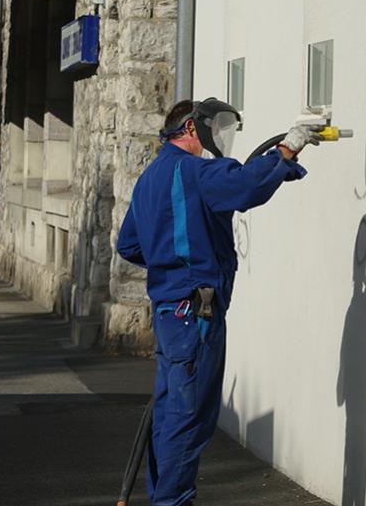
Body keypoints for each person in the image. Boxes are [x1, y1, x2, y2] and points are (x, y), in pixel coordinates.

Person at [116, 97, 321, 506]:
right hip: (195, 316)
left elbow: (130, 245)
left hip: (170, 313)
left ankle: (164, 499)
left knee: (170, 416)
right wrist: (288, 149)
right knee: (187, 421)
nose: (220, 139)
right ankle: (172, 502)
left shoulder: (151, 176)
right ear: (192, 129)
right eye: (218, 129)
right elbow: (246, 186)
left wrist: (173, 257)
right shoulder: (194, 173)